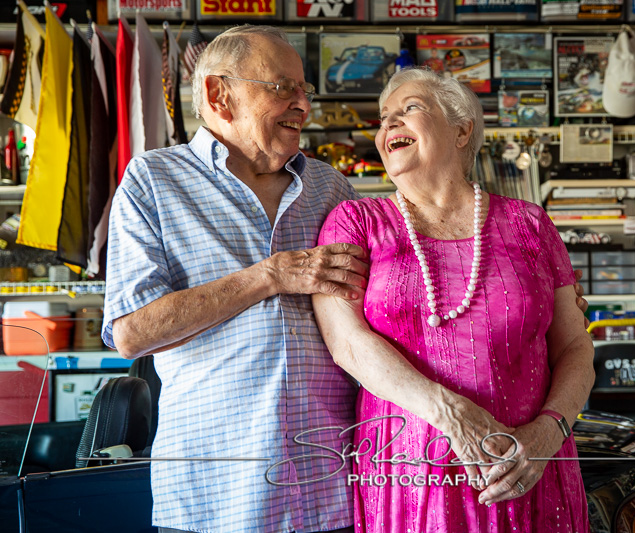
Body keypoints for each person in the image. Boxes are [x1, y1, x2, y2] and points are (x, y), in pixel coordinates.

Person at [101, 25, 368, 533]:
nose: (302, 105)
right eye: (283, 87)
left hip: (331, 488)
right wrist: (269, 276)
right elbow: (133, 333)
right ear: (219, 95)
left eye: (305, 90)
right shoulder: (154, 180)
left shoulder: (331, 188)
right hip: (214, 496)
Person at [312, 68, 595, 532]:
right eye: (383, 118)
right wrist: (450, 413)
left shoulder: (530, 224)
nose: (389, 124)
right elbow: (347, 343)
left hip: (531, 465)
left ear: (462, 130)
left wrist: (550, 431)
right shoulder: (355, 222)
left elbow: (575, 346)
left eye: (410, 108)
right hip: (410, 473)